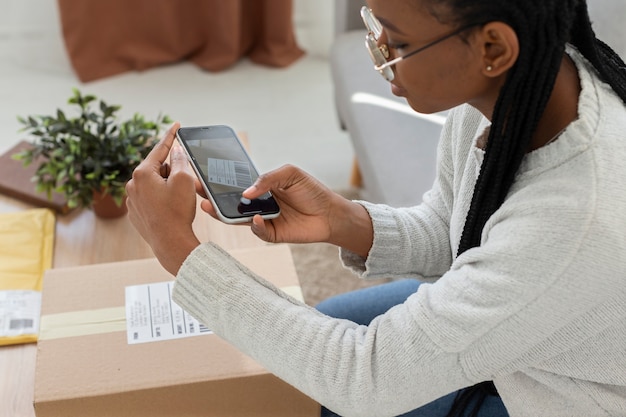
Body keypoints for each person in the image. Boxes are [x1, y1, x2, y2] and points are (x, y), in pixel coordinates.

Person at [125, 0, 626, 415]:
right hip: (523, 339)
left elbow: (365, 378)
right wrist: (347, 221)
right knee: (328, 319)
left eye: (398, 43)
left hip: (561, 395)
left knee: (324, 379)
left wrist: (180, 250)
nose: (377, 53)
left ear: (492, 47)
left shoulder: (572, 220)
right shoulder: (517, 89)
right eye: (374, 25)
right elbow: (459, 232)